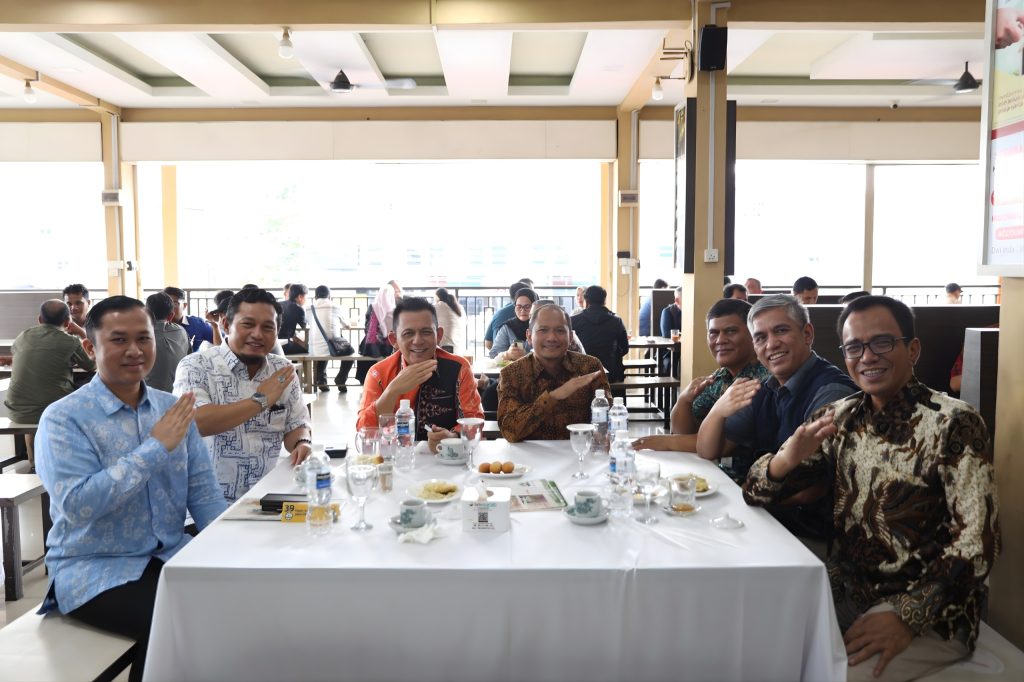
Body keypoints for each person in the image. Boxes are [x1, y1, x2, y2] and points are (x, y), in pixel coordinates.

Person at [743, 296, 1000, 682]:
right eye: (854, 347)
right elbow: (756, 492)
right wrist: (786, 458)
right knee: (750, 642)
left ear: (912, 349)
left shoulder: (954, 423)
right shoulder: (839, 417)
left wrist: (906, 615)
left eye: (882, 342)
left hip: (929, 611)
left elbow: (978, 542)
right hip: (842, 592)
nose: (867, 357)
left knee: (831, 676)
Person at [35, 295, 227, 682]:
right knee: (179, 622)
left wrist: (234, 553)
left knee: (243, 605)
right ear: (91, 347)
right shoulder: (64, 419)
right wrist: (155, 448)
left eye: (144, 338)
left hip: (170, 556)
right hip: (94, 569)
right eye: (119, 340)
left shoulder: (172, 409)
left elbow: (205, 496)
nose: (135, 350)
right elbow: (78, 506)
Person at [696, 294, 857, 543]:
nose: (771, 344)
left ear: (807, 334)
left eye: (781, 331)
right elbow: (708, 450)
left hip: (812, 536)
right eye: (760, 337)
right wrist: (718, 409)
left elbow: (808, 491)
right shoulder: (766, 388)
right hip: (770, 517)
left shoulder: (831, 393)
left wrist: (747, 495)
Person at [173, 288, 311, 502]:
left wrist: (302, 443)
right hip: (210, 503)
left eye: (268, 327)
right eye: (248, 324)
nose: (257, 334)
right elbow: (196, 421)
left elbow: (296, 423)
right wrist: (261, 400)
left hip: (269, 496)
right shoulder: (196, 366)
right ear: (225, 324)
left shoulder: (282, 370)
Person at [633, 299, 769, 466]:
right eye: (713, 333)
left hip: (745, 478)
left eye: (731, 331)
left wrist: (664, 442)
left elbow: (721, 446)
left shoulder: (759, 381)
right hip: (714, 470)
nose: (720, 340)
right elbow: (682, 433)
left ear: (753, 334)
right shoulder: (720, 376)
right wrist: (684, 400)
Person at [356, 297, 483, 452]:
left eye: (426, 332)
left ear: (439, 335)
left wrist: (452, 437)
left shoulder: (459, 368)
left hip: (446, 458)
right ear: (394, 339)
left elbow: (474, 421)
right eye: (408, 333)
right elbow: (365, 432)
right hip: (396, 459)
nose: (417, 341)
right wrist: (392, 390)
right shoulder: (378, 373)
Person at [497, 303, 610, 442]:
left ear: (570, 337)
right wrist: (553, 397)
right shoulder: (512, 374)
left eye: (560, 331)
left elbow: (608, 420)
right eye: (543, 330)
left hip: (579, 450)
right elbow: (509, 431)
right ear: (529, 336)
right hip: (529, 454)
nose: (551, 337)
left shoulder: (589, 367)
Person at [4, 300, 96, 468]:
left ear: (39, 319)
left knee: (36, 398)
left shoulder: (22, 336)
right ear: (67, 322)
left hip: (17, 411)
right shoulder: (70, 341)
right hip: (54, 411)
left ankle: (34, 464)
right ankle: (65, 461)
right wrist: (82, 334)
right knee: (62, 401)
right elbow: (91, 365)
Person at [570, 285, 629, 383]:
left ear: (586, 301)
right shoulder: (616, 321)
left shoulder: (574, 321)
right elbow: (625, 349)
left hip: (583, 374)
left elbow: (570, 349)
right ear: (604, 301)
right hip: (611, 375)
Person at [308, 285, 354, 392]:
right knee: (350, 355)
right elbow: (346, 325)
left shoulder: (309, 308)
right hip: (334, 348)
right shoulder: (335, 307)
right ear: (329, 296)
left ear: (315, 296)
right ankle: (341, 378)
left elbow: (307, 323)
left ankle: (321, 380)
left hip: (314, 349)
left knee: (323, 351)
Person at [355, 281, 401, 384]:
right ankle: (388, 380)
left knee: (364, 355)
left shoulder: (373, 307)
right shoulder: (396, 310)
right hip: (390, 345)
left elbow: (368, 328)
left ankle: (367, 381)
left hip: (371, 347)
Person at [144, 292, 190, 393]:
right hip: (179, 395)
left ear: (146, 313)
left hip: (148, 397)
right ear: (171, 316)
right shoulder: (181, 331)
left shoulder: (139, 336)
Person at [490, 288, 539, 360]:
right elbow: (493, 354)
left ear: (535, 307)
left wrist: (525, 355)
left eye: (527, 306)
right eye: (519, 307)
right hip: (513, 367)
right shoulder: (508, 327)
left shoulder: (542, 326)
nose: (523, 310)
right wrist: (507, 354)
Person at [483, 280, 530, 351]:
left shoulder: (499, 313)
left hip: (499, 356)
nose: (523, 310)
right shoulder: (536, 315)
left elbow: (488, 343)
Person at [163, 287, 213, 352]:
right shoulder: (155, 326)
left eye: (174, 304)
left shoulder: (198, 324)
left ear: (184, 306)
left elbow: (219, 344)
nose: (169, 308)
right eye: (165, 305)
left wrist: (215, 326)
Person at [278, 283, 308, 355]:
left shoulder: (278, 304)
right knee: (307, 349)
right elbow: (304, 326)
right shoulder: (298, 309)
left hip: (273, 343)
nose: (306, 300)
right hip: (285, 345)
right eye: (306, 297)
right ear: (300, 297)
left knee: (296, 342)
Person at [659, 287, 683, 376]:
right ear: (677, 300)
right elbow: (666, 334)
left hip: (685, 349)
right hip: (669, 351)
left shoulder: (691, 312)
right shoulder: (667, 312)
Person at [434, 288, 465, 355]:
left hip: (443, 350)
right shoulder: (460, 308)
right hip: (459, 349)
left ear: (437, 297)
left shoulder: (438, 306)